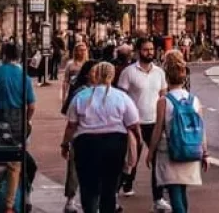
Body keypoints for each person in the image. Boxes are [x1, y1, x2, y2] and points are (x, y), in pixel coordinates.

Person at [61, 62, 141, 213]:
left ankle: (90, 209)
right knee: (109, 186)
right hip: (114, 143)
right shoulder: (121, 97)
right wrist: (139, 140)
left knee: (88, 184)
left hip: (87, 143)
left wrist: (65, 144)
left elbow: (71, 125)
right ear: (112, 76)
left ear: (95, 75)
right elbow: (133, 124)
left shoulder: (81, 96)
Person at [146, 52, 207, 213]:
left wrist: (150, 152)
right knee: (182, 189)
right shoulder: (194, 100)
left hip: (170, 149)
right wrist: (205, 152)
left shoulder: (164, 101)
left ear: (166, 77)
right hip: (191, 147)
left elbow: (158, 129)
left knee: (174, 190)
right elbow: (201, 129)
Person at [118, 38, 169, 209]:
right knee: (130, 159)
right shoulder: (129, 72)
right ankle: (121, 187)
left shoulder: (159, 73)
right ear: (139, 51)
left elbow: (163, 96)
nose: (150, 52)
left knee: (157, 160)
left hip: (154, 122)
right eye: (146, 50)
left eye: (152, 49)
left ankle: (158, 199)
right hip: (135, 123)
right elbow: (122, 98)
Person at [0, 42, 36, 213]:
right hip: (17, 120)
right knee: (14, 165)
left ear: (4, 54)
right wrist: (27, 121)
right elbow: (31, 106)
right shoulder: (24, 76)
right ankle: (9, 206)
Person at [61, 59, 97, 213]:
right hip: (79, 135)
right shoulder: (80, 91)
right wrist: (65, 142)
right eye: (94, 71)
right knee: (74, 169)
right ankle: (70, 199)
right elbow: (70, 121)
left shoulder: (104, 90)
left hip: (97, 136)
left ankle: (92, 200)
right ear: (88, 74)